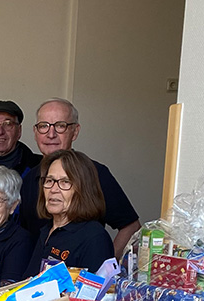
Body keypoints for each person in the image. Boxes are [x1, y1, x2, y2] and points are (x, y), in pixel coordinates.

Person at [19, 98, 140, 259]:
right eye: (43, 126)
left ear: (75, 131)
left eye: (60, 126)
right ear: (35, 132)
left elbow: (131, 227)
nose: (51, 134)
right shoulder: (29, 178)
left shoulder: (95, 174)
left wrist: (106, 268)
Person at [26, 149, 115, 275]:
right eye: (49, 181)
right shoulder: (47, 229)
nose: (53, 189)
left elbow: (92, 293)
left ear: (83, 189)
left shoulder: (94, 237)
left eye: (65, 182)